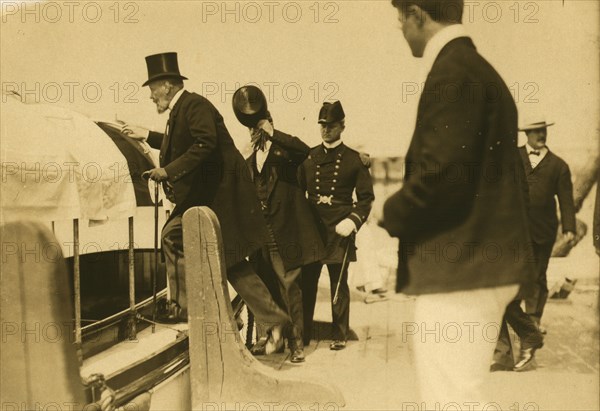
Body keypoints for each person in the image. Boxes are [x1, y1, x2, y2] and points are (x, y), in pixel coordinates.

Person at [383, 0, 534, 404]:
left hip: (463, 266)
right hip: (476, 264)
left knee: (452, 400)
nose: (399, 27)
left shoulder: (453, 72)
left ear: (418, 14)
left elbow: (443, 177)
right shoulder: (474, 69)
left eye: (400, 16)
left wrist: (389, 211)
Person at [120, 52, 289, 354]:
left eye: (152, 88)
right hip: (211, 196)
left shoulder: (194, 104)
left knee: (175, 237)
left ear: (168, 85)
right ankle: (268, 318)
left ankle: (189, 306)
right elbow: (183, 141)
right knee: (228, 261)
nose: (149, 95)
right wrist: (146, 135)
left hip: (221, 197)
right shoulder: (181, 110)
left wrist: (167, 171)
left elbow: (204, 143)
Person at [240, 103, 326, 363]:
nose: (255, 131)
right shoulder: (249, 159)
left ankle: (296, 343)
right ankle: (269, 338)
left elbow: (303, 150)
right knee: (265, 287)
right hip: (259, 234)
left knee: (290, 288)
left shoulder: (286, 155)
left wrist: (274, 133)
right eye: (251, 127)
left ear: (268, 123)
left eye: (259, 125)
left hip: (284, 233)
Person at [299, 101, 375, 350]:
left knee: (338, 284)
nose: (326, 130)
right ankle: (304, 334)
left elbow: (366, 200)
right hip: (312, 229)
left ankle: (339, 334)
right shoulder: (308, 158)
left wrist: (352, 221)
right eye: (322, 126)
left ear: (342, 126)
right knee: (306, 283)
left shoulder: (354, 160)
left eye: (331, 126)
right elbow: (297, 194)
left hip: (339, 229)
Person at [518, 116, 577, 331]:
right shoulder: (512, 158)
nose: (541, 135)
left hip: (544, 229)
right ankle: (515, 318)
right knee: (514, 273)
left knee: (538, 273)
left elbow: (566, 199)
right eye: (536, 132)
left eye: (544, 130)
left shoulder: (559, 166)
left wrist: (569, 228)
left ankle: (533, 319)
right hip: (515, 230)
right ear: (527, 134)